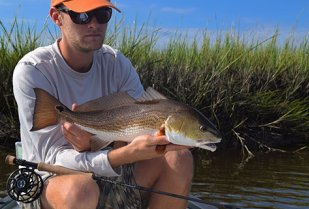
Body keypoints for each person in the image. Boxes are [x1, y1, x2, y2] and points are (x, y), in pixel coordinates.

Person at [12, 0, 193, 209]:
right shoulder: (34, 70)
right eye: (82, 16)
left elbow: (139, 127)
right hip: (49, 179)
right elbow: (49, 158)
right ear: (57, 17)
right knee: (80, 191)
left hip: (108, 172)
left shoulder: (116, 63)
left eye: (102, 14)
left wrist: (96, 145)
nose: (94, 24)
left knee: (179, 157)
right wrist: (119, 154)